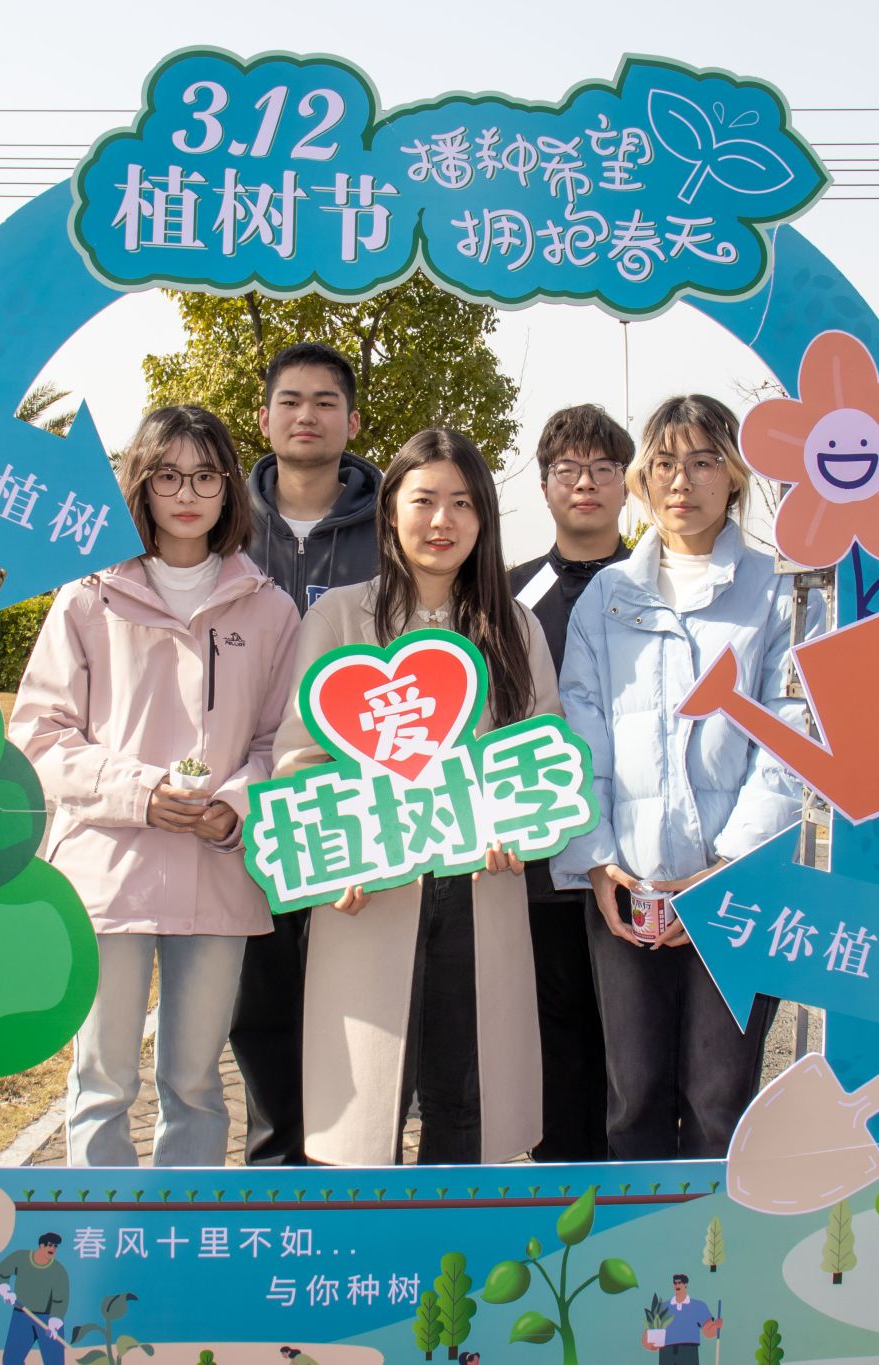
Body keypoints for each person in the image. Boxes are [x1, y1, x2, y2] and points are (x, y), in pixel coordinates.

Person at [9, 404, 300, 1168]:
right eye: (168, 475)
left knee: (197, 1083)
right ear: (139, 484)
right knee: (101, 1080)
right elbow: (39, 734)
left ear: (229, 487)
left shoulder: (270, 608)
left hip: (218, 873)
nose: (187, 493)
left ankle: (183, 1232)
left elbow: (284, 742)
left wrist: (234, 807)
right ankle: (102, 1231)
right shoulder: (89, 597)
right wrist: (139, 792)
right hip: (109, 872)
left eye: (206, 476)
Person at [273, 428, 558, 1166]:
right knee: (367, 1113)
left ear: (484, 517)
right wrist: (337, 860)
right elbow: (300, 758)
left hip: (479, 887)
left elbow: (543, 754)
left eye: (463, 503)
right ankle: (366, 1240)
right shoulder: (339, 617)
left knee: (468, 1099)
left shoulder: (515, 627)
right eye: (424, 499)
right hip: (373, 890)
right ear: (391, 509)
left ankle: (449, 1239)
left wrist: (522, 830)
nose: (442, 520)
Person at [554, 394, 817, 1160]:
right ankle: (638, 1240)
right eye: (665, 462)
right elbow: (581, 739)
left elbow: (792, 735)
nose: (682, 480)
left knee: (719, 1098)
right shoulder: (607, 597)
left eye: (703, 461)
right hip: (627, 890)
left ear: (733, 476)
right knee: (633, 1096)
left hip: (741, 888)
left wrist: (729, 866)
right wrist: (598, 861)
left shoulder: (777, 591)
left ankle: (715, 1238)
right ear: (643, 478)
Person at [233, 341, 382, 1167]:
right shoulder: (223, 524)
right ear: (264, 418)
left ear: (352, 422)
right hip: (247, 805)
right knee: (258, 1007)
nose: (307, 415)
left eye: (326, 402)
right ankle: (275, 1169)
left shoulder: (392, 527)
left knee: (357, 1005)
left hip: (357, 812)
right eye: (291, 400)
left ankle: (352, 1167)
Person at [506, 404, 633, 1164]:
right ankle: (560, 1193)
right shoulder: (507, 592)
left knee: (634, 1045)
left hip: (638, 857)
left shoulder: (656, 582)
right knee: (556, 1038)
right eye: (567, 469)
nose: (585, 483)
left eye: (603, 468)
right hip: (539, 861)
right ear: (544, 483)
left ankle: (636, 1192)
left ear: (628, 483)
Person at [0, 1231, 69, 1365]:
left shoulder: (58, 1270)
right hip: (22, 1316)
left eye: (55, 1246)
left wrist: (54, 1322)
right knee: (11, 1360)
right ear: (41, 1245)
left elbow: (60, 1299)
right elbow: (2, 1271)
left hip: (48, 1320)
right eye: (50, 1245)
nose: (52, 1249)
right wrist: (6, 1291)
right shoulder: (21, 1257)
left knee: (55, 1361)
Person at [647, 1273, 722, 1362]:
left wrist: (716, 1326)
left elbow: (708, 1332)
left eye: (679, 1283)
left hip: (689, 1352)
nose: (677, 1285)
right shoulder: (663, 1307)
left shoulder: (698, 1306)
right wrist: (651, 1342)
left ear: (686, 1285)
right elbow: (653, 1330)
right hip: (666, 1352)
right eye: (675, 1283)